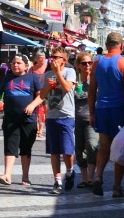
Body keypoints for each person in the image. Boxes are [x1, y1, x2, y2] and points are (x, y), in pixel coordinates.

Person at [88, 31, 124, 198]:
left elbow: (91, 91)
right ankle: (117, 187)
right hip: (118, 109)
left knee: (103, 146)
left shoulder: (97, 63)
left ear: (107, 46)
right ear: (121, 46)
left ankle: (97, 176)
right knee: (120, 147)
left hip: (101, 108)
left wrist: (92, 113)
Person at [0, 54, 45, 186]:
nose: (15, 65)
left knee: (25, 148)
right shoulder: (7, 78)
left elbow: (41, 96)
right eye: (13, 63)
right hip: (10, 118)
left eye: (18, 63)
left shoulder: (33, 78)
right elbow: (0, 94)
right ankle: (7, 175)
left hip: (28, 119)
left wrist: (32, 105)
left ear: (26, 65)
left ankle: (25, 176)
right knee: (10, 146)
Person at [41, 46, 79, 194]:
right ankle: (57, 181)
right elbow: (43, 94)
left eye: (57, 57)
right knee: (54, 151)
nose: (53, 59)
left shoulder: (70, 71)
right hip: (52, 116)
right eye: (52, 56)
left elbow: (68, 88)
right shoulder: (48, 74)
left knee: (68, 151)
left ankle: (69, 172)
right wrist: (47, 86)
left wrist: (58, 74)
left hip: (67, 116)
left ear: (64, 60)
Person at [73, 50, 100, 189]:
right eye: (84, 63)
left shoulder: (96, 80)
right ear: (78, 65)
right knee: (79, 149)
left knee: (92, 145)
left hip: (92, 118)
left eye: (90, 63)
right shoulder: (74, 81)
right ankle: (84, 178)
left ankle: (91, 177)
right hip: (77, 119)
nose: (87, 66)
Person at [30, 50, 48, 138]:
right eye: (41, 58)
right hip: (35, 92)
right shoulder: (32, 68)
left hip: (46, 92)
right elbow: (28, 79)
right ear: (36, 59)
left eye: (44, 58)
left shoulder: (47, 67)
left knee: (43, 112)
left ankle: (41, 130)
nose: (42, 60)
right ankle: (36, 129)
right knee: (36, 112)